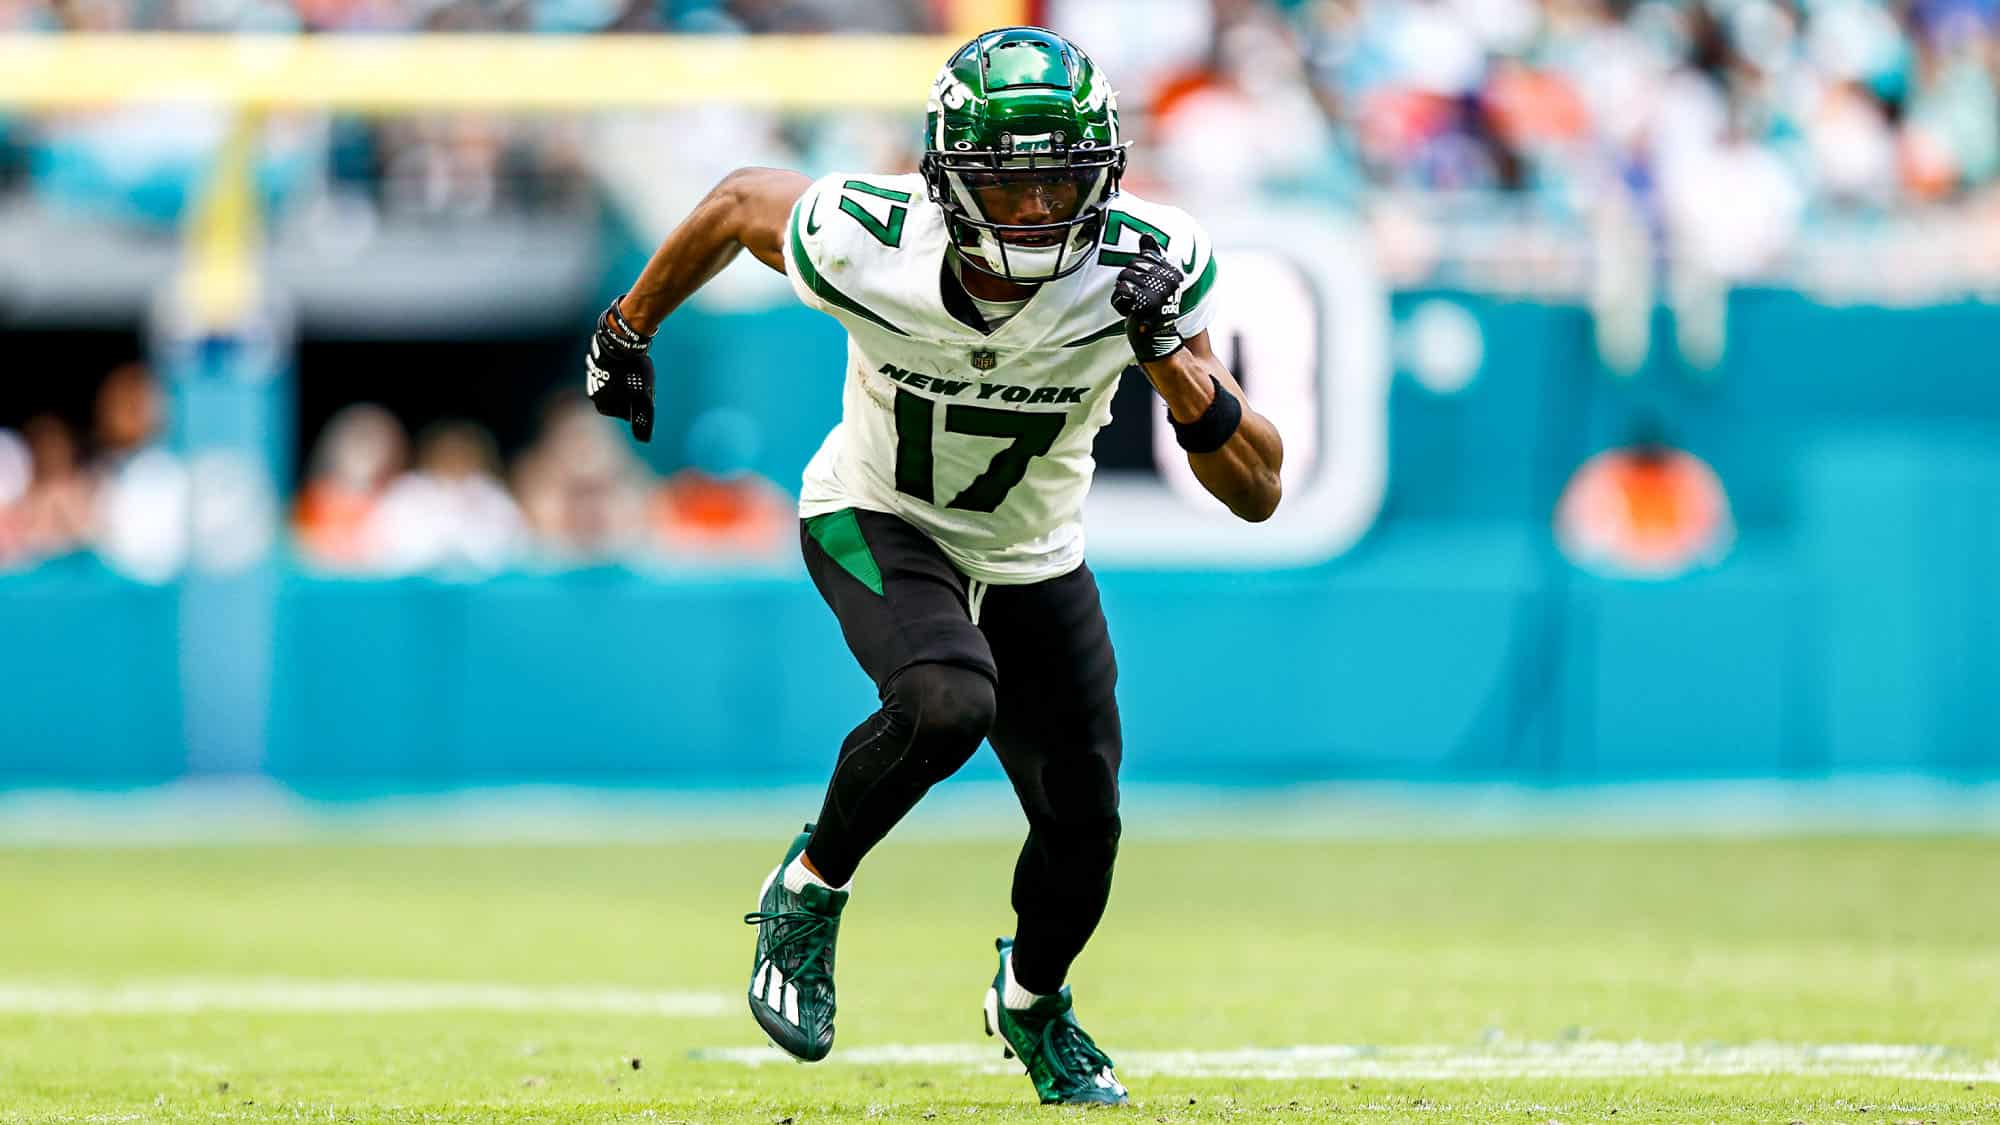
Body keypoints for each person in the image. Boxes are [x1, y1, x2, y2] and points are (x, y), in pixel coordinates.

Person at [581, 27, 1283, 1107]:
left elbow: (1257, 490)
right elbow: (732, 203)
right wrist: (625, 329)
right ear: (945, 183)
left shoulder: (1142, 269)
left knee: (1083, 821)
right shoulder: (867, 241)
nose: (1039, 214)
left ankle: (1031, 1003)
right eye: (1008, 190)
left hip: (1030, 553)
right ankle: (809, 888)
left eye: (1059, 184)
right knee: (945, 700)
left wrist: (1169, 363)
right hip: (874, 510)